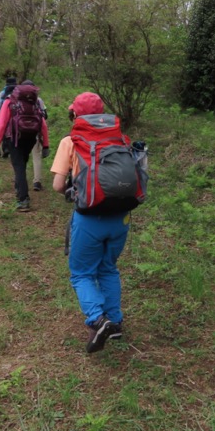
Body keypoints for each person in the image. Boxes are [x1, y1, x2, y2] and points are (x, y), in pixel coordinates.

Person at [50, 92, 129, 353]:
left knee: (82, 272)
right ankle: (115, 323)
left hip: (89, 219)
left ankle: (98, 319)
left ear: (75, 114)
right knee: (108, 268)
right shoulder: (120, 139)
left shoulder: (70, 141)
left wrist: (76, 193)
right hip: (121, 217)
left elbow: (58, 185)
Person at [0, 80, 48, 212]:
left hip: (14, 138)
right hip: (30, 138)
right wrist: (45, 145)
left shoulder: (10, 102)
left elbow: (1, 124)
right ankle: (19, 189)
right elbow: (43, 125)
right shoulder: (35, 102)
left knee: (19, 167)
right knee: (22, 163)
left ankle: (23, 199)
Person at [27, 80, 50, 191]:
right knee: (36, 157)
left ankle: (20, 181)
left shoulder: (16, 99)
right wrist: (45, 144)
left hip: (20, 135)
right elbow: (45, 116)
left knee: (20, 159)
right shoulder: (38, 100)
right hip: (35, 134)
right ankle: (37, 182)